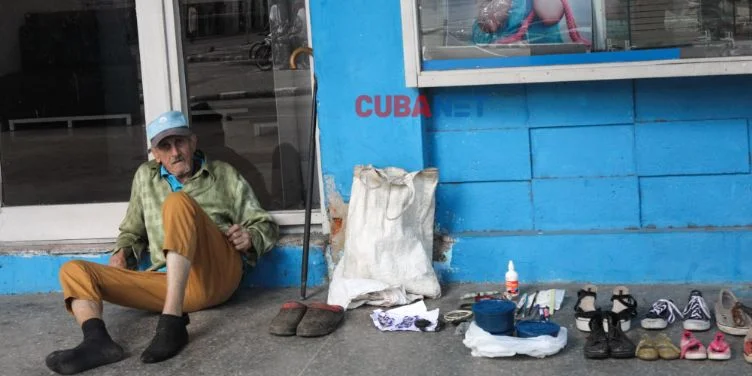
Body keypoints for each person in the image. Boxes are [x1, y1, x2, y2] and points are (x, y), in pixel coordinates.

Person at [44, 110, 279, 375]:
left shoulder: (223, 174)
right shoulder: (145, 176)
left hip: (215, 277)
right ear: (155, 153)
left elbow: (264, 224)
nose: (174, 152)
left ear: (193, 142)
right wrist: (122, 252)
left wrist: (250, 237)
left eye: (180, 142)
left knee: (177, 203)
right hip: (167, 283)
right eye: (164, 146)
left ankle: (171, 323)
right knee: (73, 270)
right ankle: (97, 342)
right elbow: (132, 230)